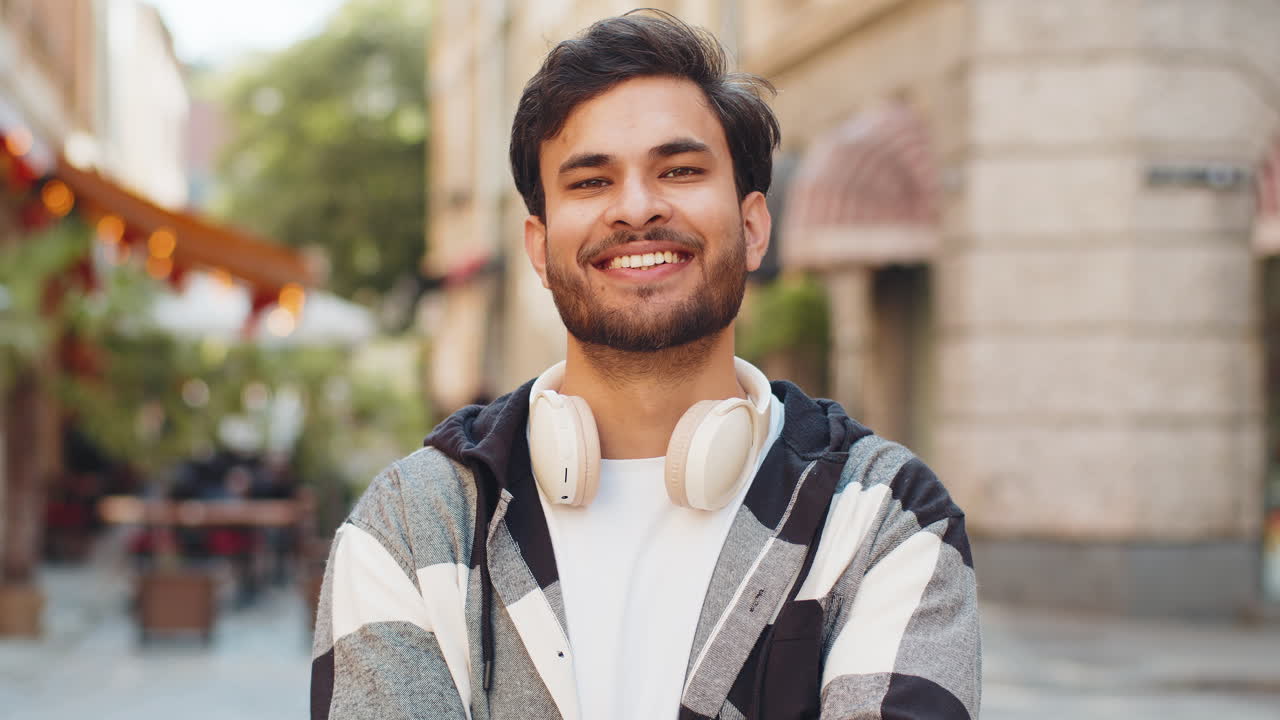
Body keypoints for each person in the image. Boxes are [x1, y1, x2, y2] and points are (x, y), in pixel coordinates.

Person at [311, 10, 980, 720]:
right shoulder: (415, 527)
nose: (636, 208)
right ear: (538, 249)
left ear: (754, 227)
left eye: (680, 170)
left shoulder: (882, 518)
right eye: (592, 182)